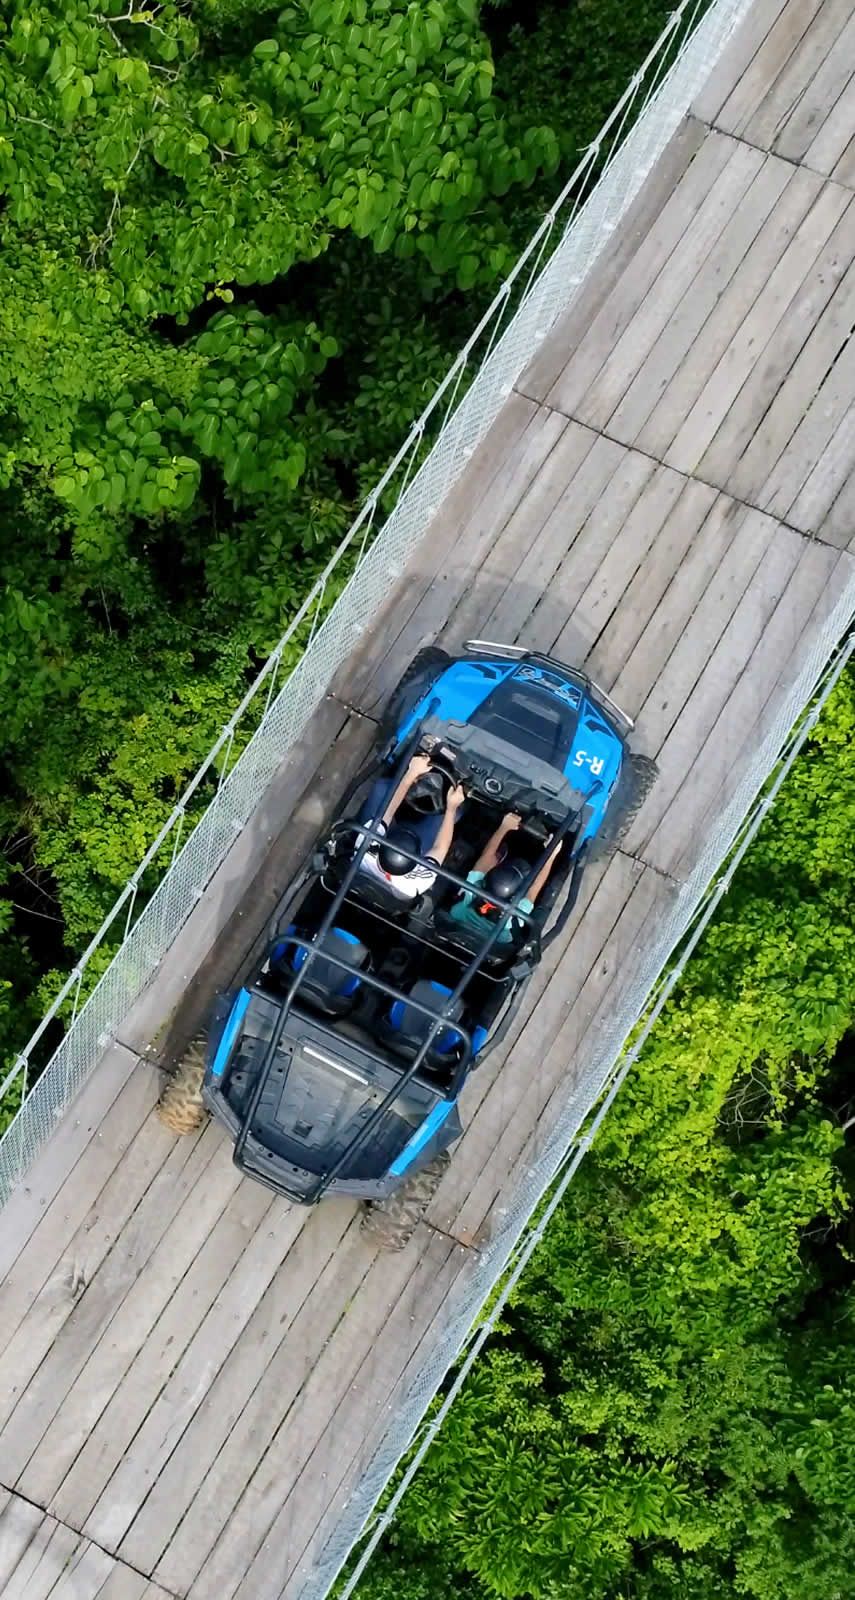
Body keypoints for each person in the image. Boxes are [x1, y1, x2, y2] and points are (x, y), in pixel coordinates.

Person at [357, 753, 466, 902]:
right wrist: (452, 807)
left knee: (382, 788)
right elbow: (440, 848)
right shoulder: (420, 880)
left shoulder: (366, 847)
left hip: (386, 833)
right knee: (454, 814)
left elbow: (387, 810)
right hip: (411, 841)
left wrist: (412, 772)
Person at [448, 812, 562, 945]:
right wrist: (552, 854)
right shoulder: (511, 921)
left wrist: (504, 827)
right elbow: (534, 889)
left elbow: (485, 858)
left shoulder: (466, 902)